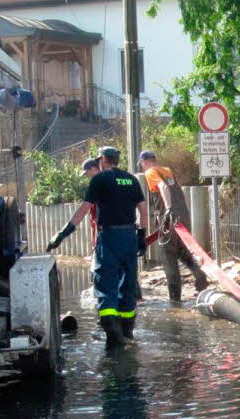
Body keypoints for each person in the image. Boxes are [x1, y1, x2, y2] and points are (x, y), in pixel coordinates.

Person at [47, 146, 148, 349]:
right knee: (128, 282)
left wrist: (62, 234)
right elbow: (143, 210)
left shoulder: (99, 180)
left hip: (109, 237)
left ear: (102, 159)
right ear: (117, 159)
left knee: (105, 283)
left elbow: (84, 209)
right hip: (129, 236)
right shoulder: (131, 179)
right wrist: (141, 237)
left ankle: (113, 335)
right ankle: (127, 332)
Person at [137, 149, 209, 303]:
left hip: (168, 217)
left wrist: (168, 210)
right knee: (184, 253)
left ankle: (175, 301)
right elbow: (178, 190)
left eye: (142, 164)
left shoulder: (150, 172)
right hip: (183, 216)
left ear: (144, 162)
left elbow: (163, 187)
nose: (142, 167)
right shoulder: (167, 170)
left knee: (168, 257)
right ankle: (201, 280)